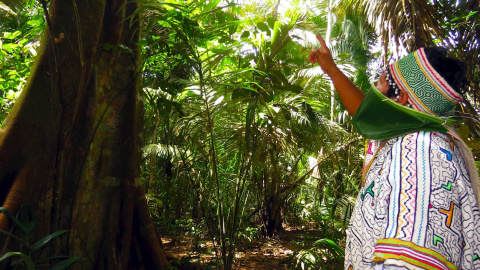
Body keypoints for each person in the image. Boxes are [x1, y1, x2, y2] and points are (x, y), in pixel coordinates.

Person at [309, 34, 480, 270]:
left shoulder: (419, 151)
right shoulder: (427, 140)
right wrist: (331, 70)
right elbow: (366, 113)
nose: (373, 91)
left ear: (402, 98)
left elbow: (409, 261)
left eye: (380, 83)